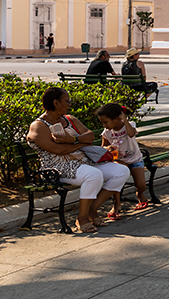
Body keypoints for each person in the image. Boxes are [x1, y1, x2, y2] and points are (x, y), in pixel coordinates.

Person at [26, 87, 130, 233]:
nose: (69, 104)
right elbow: (57, 150)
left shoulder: (70, 119)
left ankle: (92, 210)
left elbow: (91, 136)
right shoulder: (38, 126)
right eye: (67, 101)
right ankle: (82, 219)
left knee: (121, 171)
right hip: (57, 168)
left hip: (84, 162)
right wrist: (80, 144)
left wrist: (73, 139)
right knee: (94, 175)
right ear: (56, 103)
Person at [96, 103, 150, 216]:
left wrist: (124, 120)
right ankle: (117, 203)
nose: (104, 125)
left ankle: (140, 194)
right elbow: (102, 147)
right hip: (119, 160)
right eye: (102, 122)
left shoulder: (129, 125)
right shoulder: (106, 132)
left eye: (105, 122)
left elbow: (131, 134)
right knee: (117, 179)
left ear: (116, 119)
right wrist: (108, 148)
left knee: (141, 185)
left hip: (135, 159)